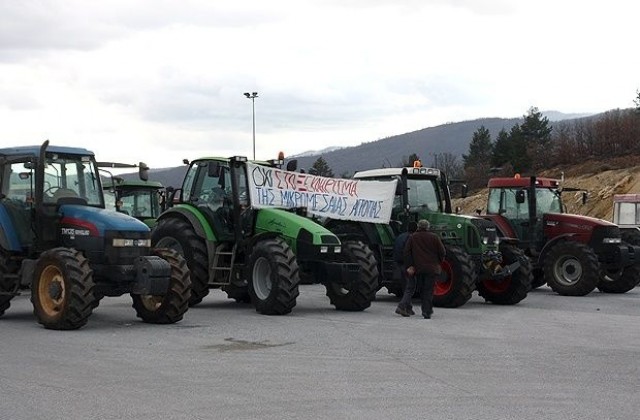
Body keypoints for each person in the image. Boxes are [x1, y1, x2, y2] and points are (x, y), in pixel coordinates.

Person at [400, 219, 446, 319]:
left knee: (422, 290)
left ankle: (424, 309)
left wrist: (410, 265)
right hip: (432, 269)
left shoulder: (413, 237)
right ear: (427, 227)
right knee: (429, 290)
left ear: (418, 227)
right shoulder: (434, 237)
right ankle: (426, 311)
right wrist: (439, 262)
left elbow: (406, 253)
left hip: (419, 269)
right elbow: (442, 252)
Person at [393, 221, 418, 316]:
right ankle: (401, 306)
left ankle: (409, 307)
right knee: (411, 287)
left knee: (405, 287)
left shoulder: (400, 236)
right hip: (407, 265)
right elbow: (409, 253)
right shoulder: (411, 238)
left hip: (398, 263)